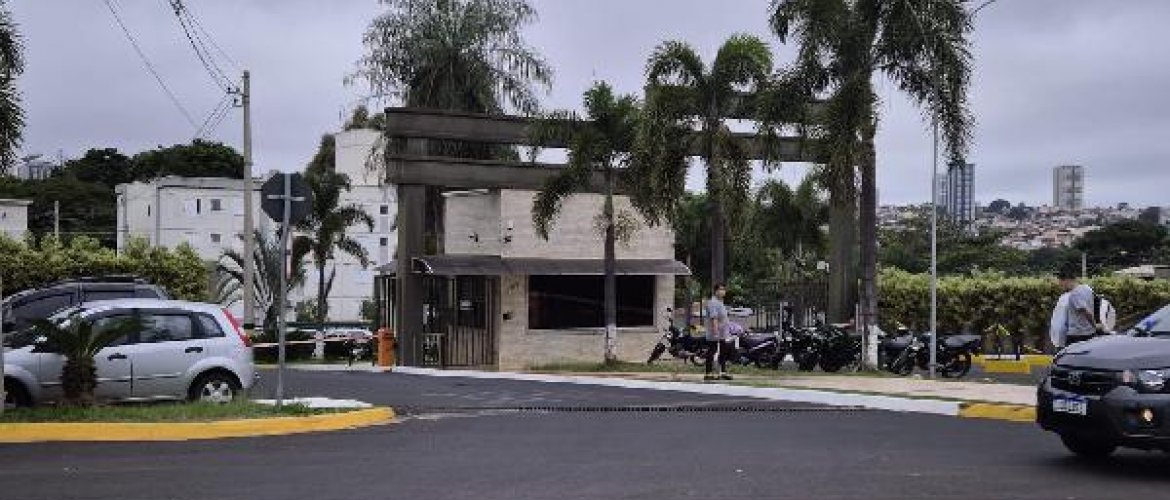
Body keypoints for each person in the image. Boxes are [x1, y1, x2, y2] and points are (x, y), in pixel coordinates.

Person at [1054, 267, 1099, 348]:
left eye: (1061, 283)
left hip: (1077, 335)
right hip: (1089, 333)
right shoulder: (1087, 288)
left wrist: (1095, 325)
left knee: (1070, 355)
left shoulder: (1074, 294)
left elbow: (1084, 311)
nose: (1061, 286)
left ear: (1067, 280)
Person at [704, 283, 734, 381]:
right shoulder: (712, 302)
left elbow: (724, 318)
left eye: (724, 289)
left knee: (723, 351)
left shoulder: (720, 302)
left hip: (723, 333)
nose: (723, 291)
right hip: (714, 332)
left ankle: (722, 372)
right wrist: (716, 331)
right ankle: (708, 373)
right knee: (712, 351)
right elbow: (714, 318)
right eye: (720, 289)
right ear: (715, 291)